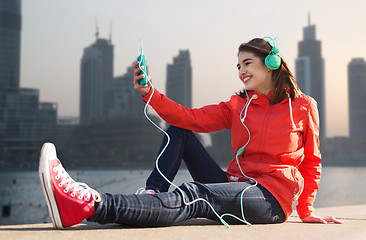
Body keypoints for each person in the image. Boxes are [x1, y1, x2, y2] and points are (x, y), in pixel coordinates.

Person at [39, 37, 342, 230]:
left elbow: (312, 161)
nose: (241, 71)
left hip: (270, 198)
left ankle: (90, 205)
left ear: (272, 63)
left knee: (196, 195)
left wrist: (306, 209)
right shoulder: (237, 105)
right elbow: (188, 117)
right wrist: (150, 93)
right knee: (180, 129)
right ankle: (153, 194)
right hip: (234, 183)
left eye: (247, 63)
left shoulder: (303, 106)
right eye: (238, 65)